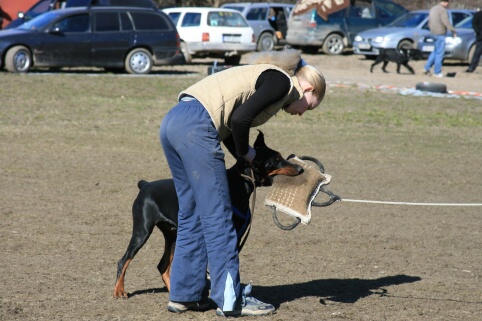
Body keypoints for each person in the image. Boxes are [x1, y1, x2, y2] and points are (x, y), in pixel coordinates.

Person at [159, 49, 326, 317]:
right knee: (219, 217)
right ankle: (230, 300)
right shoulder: (282, 82)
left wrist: (243, 152)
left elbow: (231, 120)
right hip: (197, 127)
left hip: (174, 121)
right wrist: (244, 152)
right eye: (311, 105)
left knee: (191, 213)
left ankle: (183, 296)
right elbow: (239, 120)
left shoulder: (264, 77)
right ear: (307, 87)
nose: (303, 112)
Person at [423, 0, 456, 78]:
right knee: (440, 53)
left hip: (432, 33)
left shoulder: (433, 9)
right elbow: (446, 21)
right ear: (443, 2)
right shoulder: (443, 10)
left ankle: (426, 68)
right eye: (446, 1)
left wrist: (431, 29)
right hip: (440, 33)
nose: (448, 3)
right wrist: (453, 30)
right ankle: (437, 72)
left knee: (435, 51)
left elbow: (429, 22)